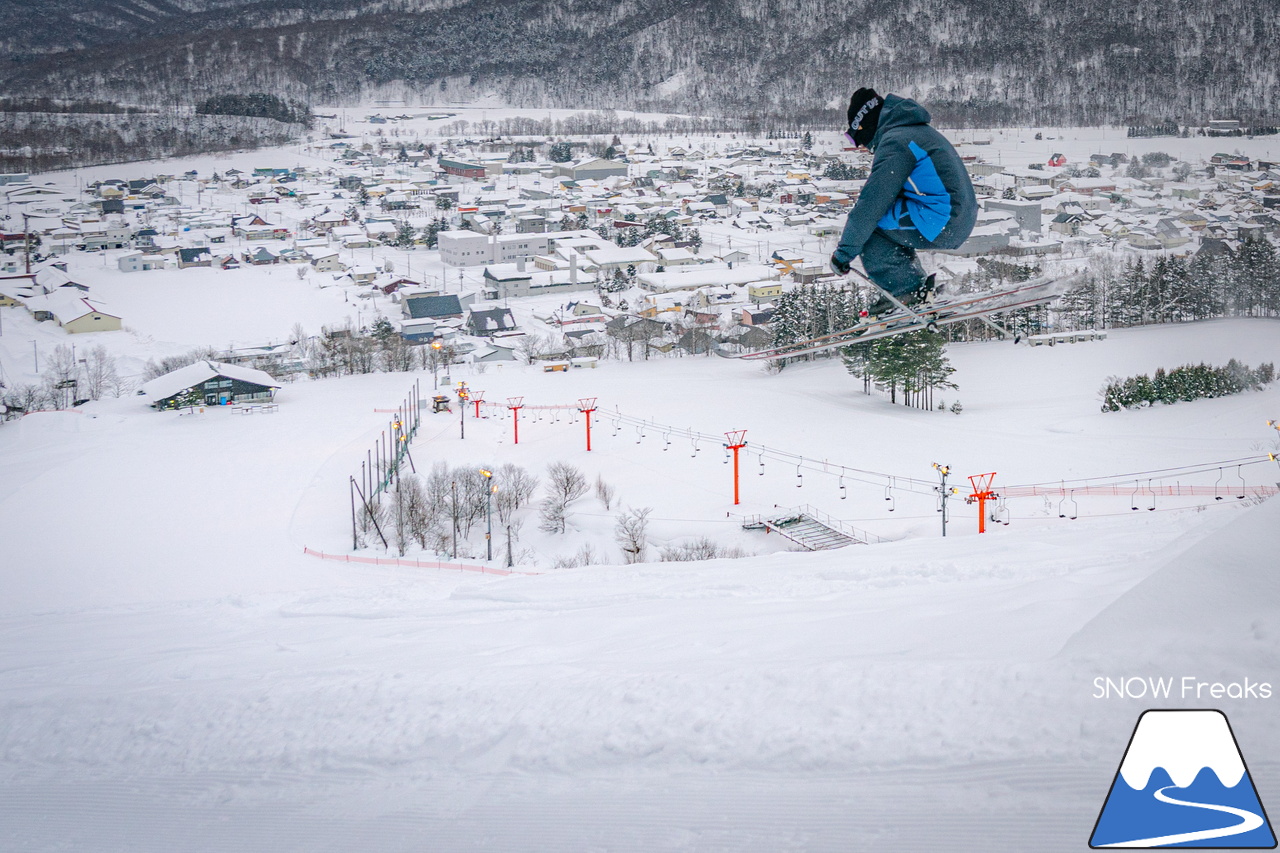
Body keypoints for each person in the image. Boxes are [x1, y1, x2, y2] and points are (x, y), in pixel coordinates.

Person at [830, 88, 977, 316]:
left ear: (866, 125)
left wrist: (843, 254)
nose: (863, 147)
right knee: (884, 221)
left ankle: (906, 293)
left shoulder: (896, 142)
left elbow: (871, 205)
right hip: (956, 216)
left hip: (943, 220)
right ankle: (915, 291)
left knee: (871, 228)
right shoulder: (914, 132)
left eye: (857, 138)